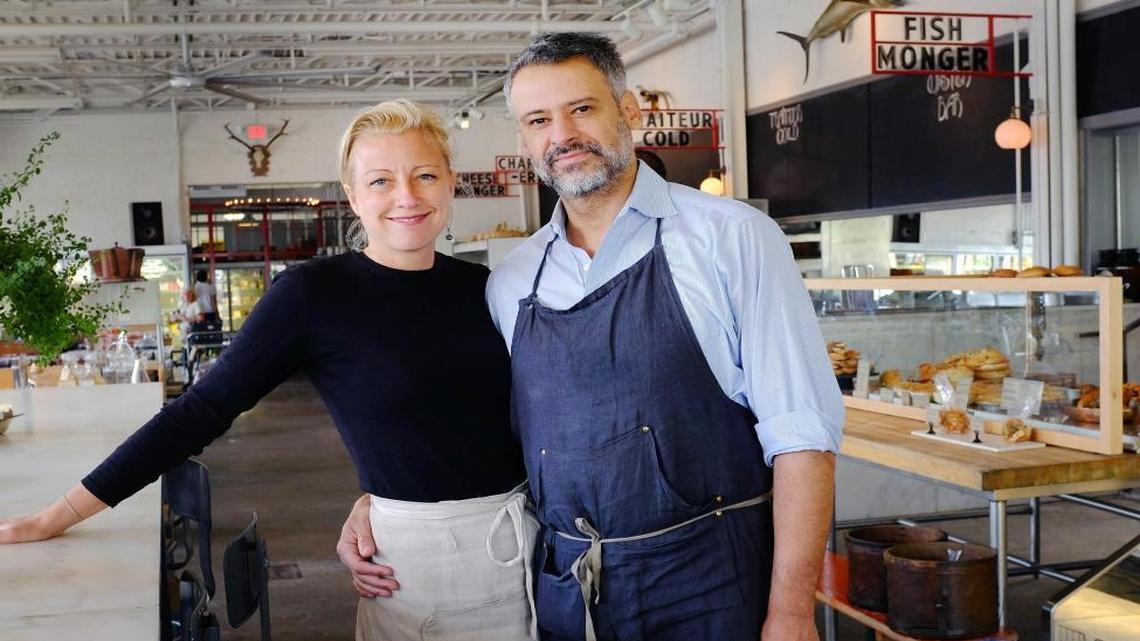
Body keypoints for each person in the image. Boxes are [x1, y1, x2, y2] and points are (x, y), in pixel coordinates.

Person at [339, 33, 845, 641]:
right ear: (525, 140)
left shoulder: (732, 239)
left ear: (627, 111)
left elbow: (802, 438)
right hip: (568, 592)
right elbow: (487, 430)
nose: (562, 135)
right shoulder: (512, 281)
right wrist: (386, 499)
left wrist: (790, 613)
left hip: (712, 585)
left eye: (582, 109)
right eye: (538, 120)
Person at [0, 99, 537, 641]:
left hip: (533, 553)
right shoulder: (314, 296)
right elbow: (200, 411)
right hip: (416, 575)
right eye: (380, 181)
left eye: (425, 175)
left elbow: (506, 424)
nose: (407, 196)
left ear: (450, 182)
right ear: (352, 195)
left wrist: (377, 489)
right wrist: (56, 516)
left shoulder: (488, 289)